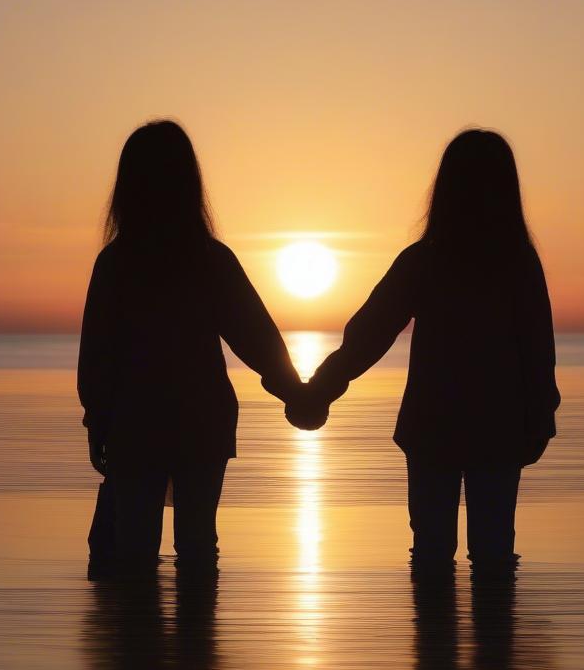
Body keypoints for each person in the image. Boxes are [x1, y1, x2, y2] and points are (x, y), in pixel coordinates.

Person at [288, 129, 559, 571]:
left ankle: (437, 637)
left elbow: (368, 336)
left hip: (435, 427)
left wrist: (320, 388)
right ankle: (493, 637)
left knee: (432, 552)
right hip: (497, 427)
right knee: (493, 553)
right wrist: (541, 417)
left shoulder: (427, 261)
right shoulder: (516, 264)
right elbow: (538, 350)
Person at [78, 120, 301, 577]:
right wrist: (297, 394)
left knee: (134, 547)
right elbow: (256, 337)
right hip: (202, 421)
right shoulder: (210, 260)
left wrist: (97, 420)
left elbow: (97, 356)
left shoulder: (117, 265)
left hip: (135, 422)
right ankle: (196, 643)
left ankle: (140, 642)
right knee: (198, 543)